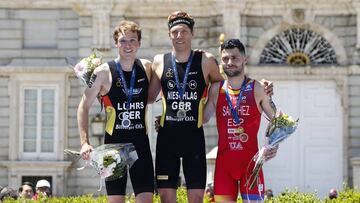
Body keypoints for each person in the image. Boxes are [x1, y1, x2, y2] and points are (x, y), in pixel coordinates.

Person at [148, 11, 273, 203]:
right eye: (175, 32)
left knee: (197, 197)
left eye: (184, 31)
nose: (179, 36)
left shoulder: (206, 60)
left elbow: (227, 85)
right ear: (169, 34)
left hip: (194, 137)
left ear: (192, 34)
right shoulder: (158, 61)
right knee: (165, 196)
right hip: (167, 138)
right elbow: (148, 97)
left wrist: (261, 88)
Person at [77, 20, 154, 203]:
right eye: (123, 41)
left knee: (146, 199)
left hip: (140, 144)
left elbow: (160, 90)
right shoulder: (104, 72)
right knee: (116, 200)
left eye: (132, 40)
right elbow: (83, 106)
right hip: (114, 146)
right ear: (116, 43)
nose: (128, 45)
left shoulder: (147, 67)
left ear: (139, 43)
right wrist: (84, 142)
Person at [203, 39, 278, 203]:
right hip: (224, 168)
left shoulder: (258, 88)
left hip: (251, 166)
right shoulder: (216, 89)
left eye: (235, 58)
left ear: (245, 59)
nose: (229, 62)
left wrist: (273, 145)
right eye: (225, 59)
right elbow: (202, 118)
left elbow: (278, 121)